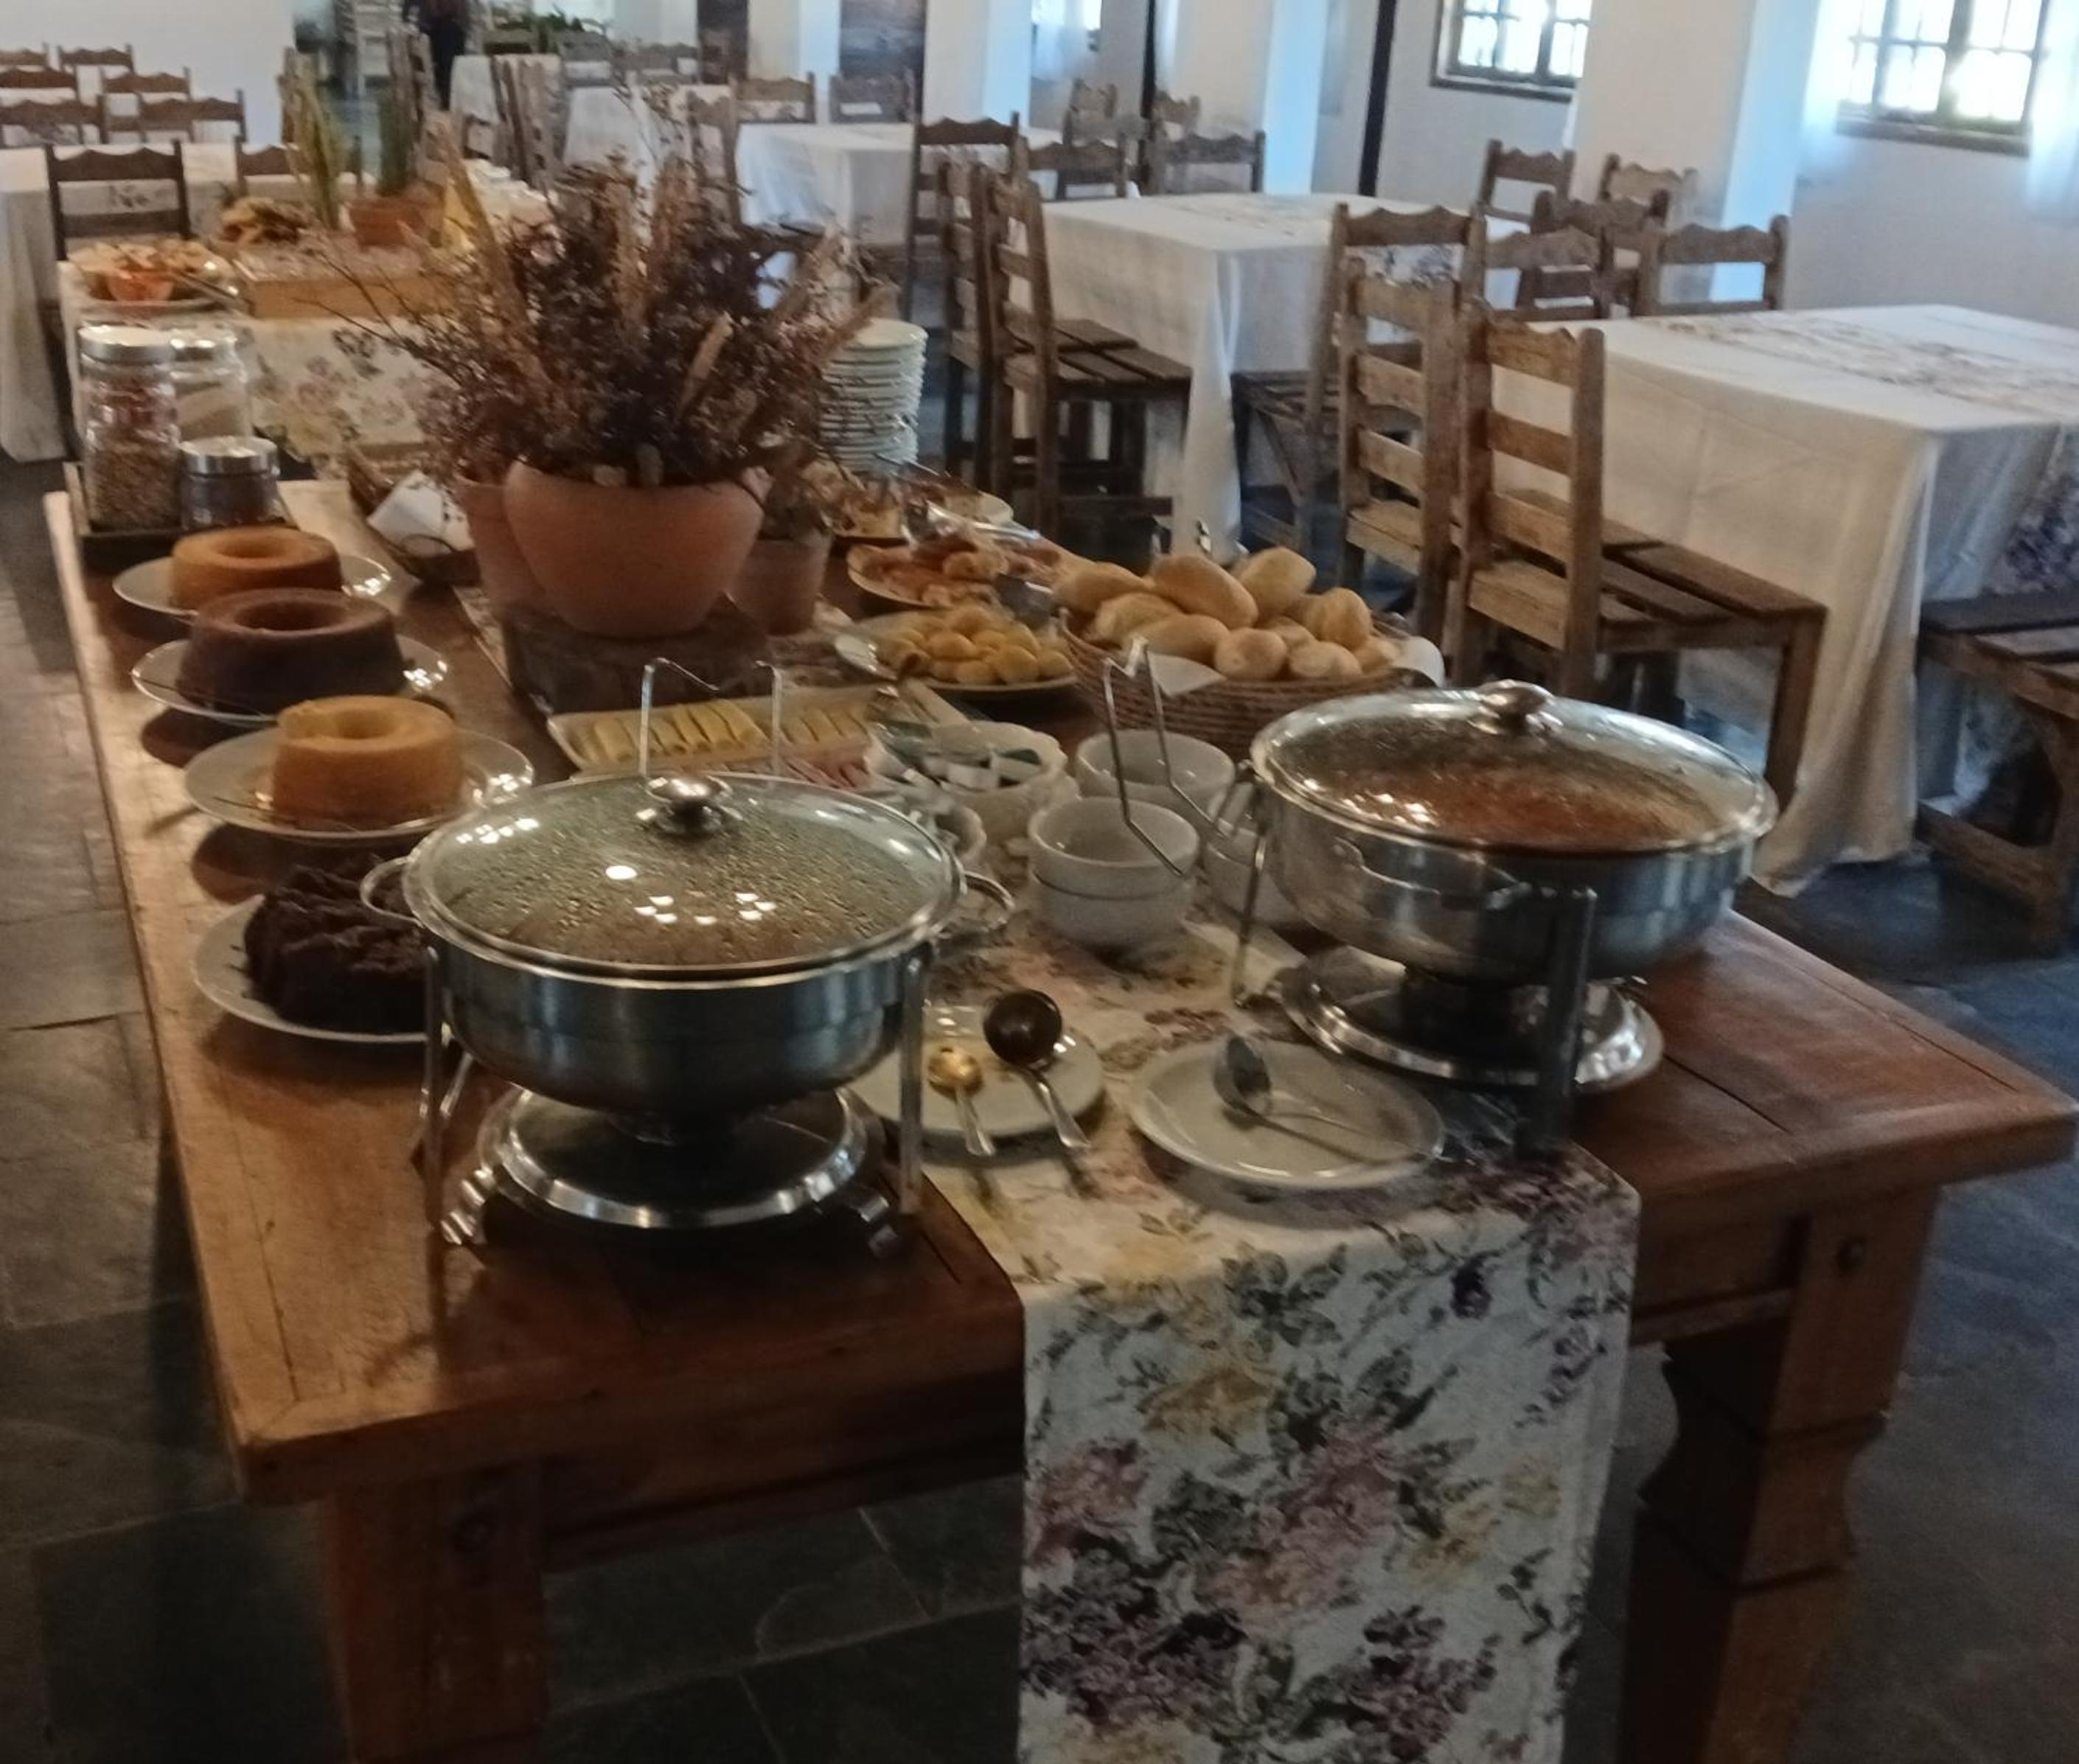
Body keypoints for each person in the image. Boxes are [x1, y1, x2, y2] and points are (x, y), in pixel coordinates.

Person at [405, 0, 469, 108]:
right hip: (440, 29)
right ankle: (445, 102)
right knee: (448, 69)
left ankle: (445, 102)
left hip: (441, 29)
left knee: (448, 69)